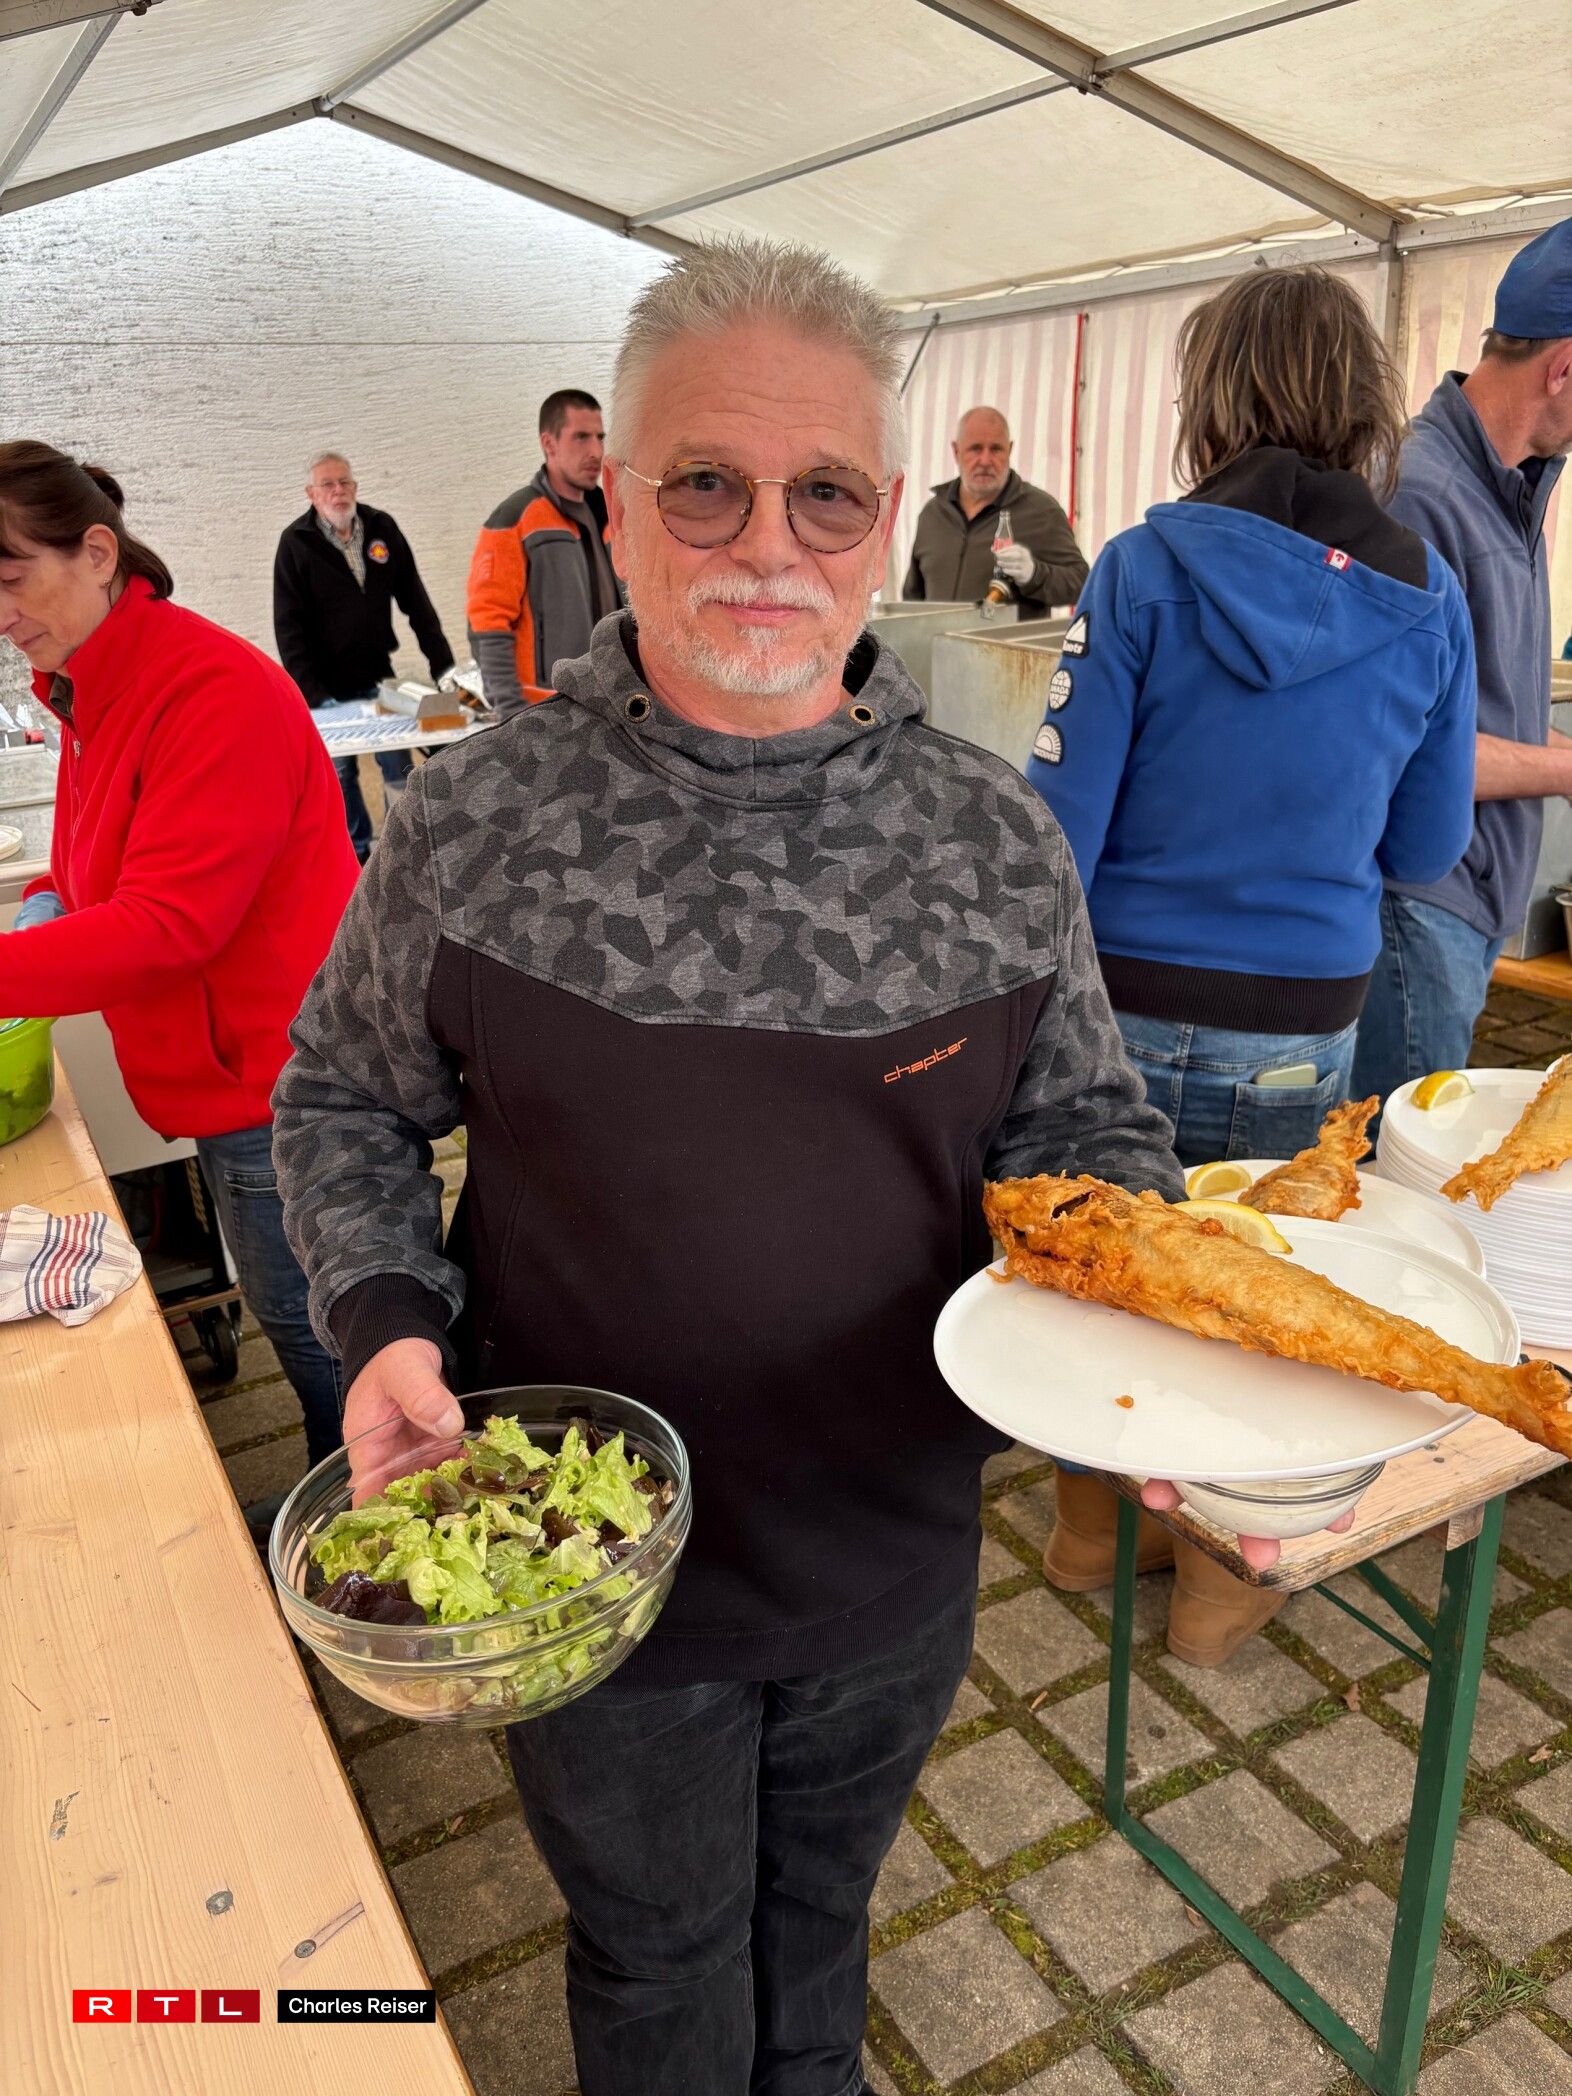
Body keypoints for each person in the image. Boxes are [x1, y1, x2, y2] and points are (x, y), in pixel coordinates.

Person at [273, 235, 1186, 2096]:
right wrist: (384, 1324)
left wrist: (1174, 1355)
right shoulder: (480, 820)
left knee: (821, 1925)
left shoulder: (991, 840)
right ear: (615, 501)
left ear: (883, 524)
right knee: (658, 1953)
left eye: (824, 492)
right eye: (706, 483)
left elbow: (1085, 1139)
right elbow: (343, 1097)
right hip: (591, 1576)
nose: (767, 544)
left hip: (889, 1552)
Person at [1023, 268, 1478, 1663]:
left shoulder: (1142, 566)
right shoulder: (1430, 597)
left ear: (1211, 401)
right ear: (1366, 406)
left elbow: (1054, 833)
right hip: (1301, 1025)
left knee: (1104, 1273)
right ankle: (1223, 1593)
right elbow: (1428, 846)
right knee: (1253, 1300)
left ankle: (1092, 1530)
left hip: (1118, 1012)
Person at [0, 442, 357, 1509]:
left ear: (96, 551)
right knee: (299, 1320)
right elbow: (90, 865)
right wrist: (44, 903)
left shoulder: (207, 687)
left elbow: (167, 924)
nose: (0, 612)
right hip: (218, 1074)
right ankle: (339, 1504)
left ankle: (375, 1526)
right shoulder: (92, 686)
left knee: (324, 1333)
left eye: (11, 576)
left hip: (285, 1082)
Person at [1351, 219, 1572, 1102]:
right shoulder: (1418, 496)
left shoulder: (1513, 489)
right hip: (1415, 907)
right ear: (1564, 367)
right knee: (1390, 1161)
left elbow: (1483, 709)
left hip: (1464, 908)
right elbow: (1402, 751)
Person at [273, 450, 456, 863]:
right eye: (328, 484)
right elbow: (288, 630)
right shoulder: (295, 544)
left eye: (345, 482)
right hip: (325, 689)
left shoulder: (381, 528)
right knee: (340, 776)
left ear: (355, 487)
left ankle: (400, 852)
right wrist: (314, 696)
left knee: (398, 764)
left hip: (378, 677)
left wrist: (446, 674)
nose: (338, 491)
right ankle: (354, 857)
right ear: (311, 493)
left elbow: (418, 606)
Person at [466, 388, 624, 713]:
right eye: (581, 437)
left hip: (610, 702)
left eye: (600, 437)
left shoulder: (612, 516)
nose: (596, 451)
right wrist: (511, 712)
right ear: (549, 444)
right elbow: (488, 625)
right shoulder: (514, 519)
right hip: (544, 709)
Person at [902, 405, 1088, 615]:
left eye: (996, 449)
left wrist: (1034, 574)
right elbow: (912, 597)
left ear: (1010, 450)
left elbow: (1081, 583)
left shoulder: (1042, 512)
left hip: (1005, 639)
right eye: (975, 448)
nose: (985, 460)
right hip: (935, 637)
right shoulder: (933, 513)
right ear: (956, 451)